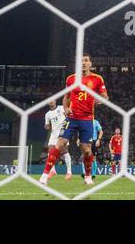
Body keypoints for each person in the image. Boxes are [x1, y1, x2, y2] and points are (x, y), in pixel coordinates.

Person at [42, 54, 108, 187]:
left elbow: (105, 97)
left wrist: (100, 101)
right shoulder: (71, 79)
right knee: (60, 143)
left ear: (90, 64)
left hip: (87, 118)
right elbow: (66, 97)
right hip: (71, 118)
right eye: (81, 61)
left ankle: (88, 177)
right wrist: (66, 108)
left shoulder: (97, 79)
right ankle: (45, 175)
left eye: (86, 61)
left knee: (87, 150)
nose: (83, 63)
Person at [40, 98, 72, 182]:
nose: (51, 102)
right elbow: (47, 125)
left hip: (63, 133)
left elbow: (69, 112)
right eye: (49, 101)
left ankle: (69, 172)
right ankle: (53, 171)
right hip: (53, 134)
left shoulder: (61, 108)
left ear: (55, 101)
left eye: (52, 100)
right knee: (50, 151)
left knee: (64, 152)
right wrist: (46, 126)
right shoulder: (47, 114)